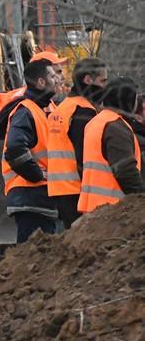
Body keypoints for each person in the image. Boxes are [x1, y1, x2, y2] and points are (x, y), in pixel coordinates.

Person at [0, 58, 64, 243]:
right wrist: (37, 175)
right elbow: (14, 149)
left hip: (41, 199)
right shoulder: (25, 111)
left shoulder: (44, 108)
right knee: (33, 260)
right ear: (41, 82)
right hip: (31, 198)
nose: (58, 80)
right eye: (53, 76)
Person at [46, 57, 108, 228]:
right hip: (77, 191)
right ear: (88, 80)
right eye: (103, 80)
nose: (105, 86)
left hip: (60, 189)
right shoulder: (83, 112)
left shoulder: (63, 108)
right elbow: (86, 156)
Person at [78, 77, 145, 214]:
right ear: (129, 102)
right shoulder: (116, 127)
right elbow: (125, 171)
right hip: (114, 210)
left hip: (95, 209)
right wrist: (142, 198)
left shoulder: (96, 122)